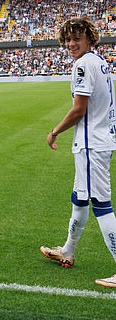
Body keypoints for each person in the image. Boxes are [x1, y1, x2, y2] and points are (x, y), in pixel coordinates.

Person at [41, 17, 116, 289]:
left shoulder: (83, 65)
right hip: (99, 141)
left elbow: (78, 109)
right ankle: (68, 250)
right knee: (80, 198)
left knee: (101, 205)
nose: (71, 44)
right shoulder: (99, 62)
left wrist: (55, 131)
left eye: (77, 38)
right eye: (68, 39)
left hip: (91, 144)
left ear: (89, 39)